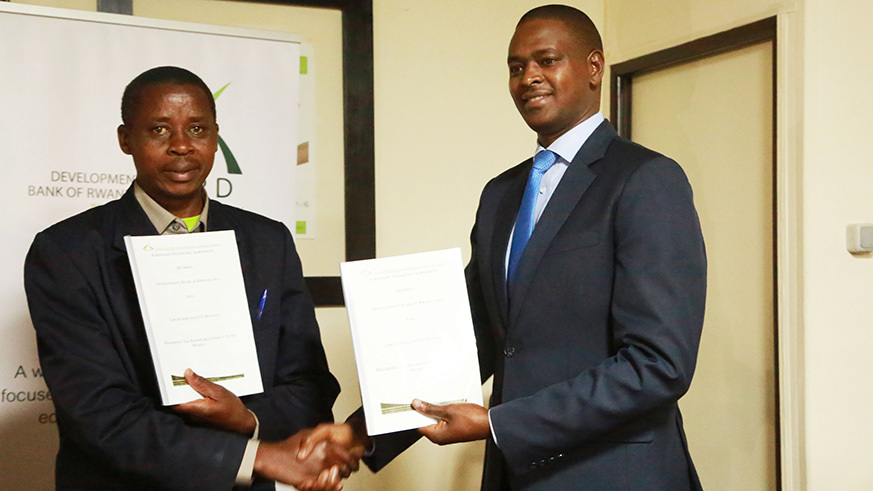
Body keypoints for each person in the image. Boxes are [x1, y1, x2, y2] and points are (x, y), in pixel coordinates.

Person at [302, 4, 707, 490]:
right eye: (516, 67)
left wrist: (499, 424)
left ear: (595, 67)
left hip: (615, 475)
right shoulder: (501, 194)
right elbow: (472, 339)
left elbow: (659, 364)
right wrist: (360, 433)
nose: (529, 77)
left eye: (547, 60)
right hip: (515, 476)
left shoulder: (646, 180)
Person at [24, 66, 358, 491]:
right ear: (125, 139)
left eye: (197, 129)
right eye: (159, 130)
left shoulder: (267, 242)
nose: (181, 145)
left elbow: (310, 385)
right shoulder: (66, 252)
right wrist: (257, 458)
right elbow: (97, 412)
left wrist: (249, 419)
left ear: (216, 137)